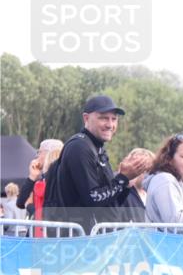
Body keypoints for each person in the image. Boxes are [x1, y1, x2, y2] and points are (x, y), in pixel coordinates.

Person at [44, 95, 152, 232]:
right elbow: (93, 199)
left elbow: (110, 204)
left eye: (114, 119)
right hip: (74, 239)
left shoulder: (97, 148)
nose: (110, 125)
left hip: (89, 238)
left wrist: (126, 183)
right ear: (86, 118)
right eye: (103, 118)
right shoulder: (80, 147)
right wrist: (122, 178)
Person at [19, 138, 63, 226]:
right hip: (39, 233)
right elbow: (20, 202)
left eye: (39, 152)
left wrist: (29, 206)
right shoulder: (41, 179)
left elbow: (49, 214)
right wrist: (32, 176)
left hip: (48, 233)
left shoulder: (58, 179)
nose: (37, 156)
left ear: (48, 153)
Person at [121, 147, 154, 222]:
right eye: (140, 169)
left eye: (149, 170)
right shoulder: (121, 193)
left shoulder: (152, 193)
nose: (146, 174)